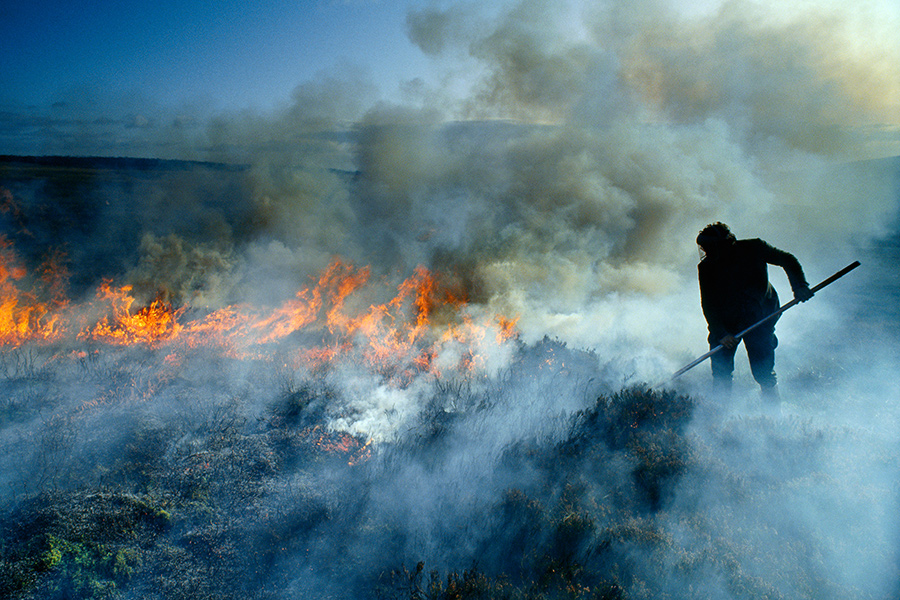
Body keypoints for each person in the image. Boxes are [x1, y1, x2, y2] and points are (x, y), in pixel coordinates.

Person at [696, 222, 813, 397]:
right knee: (721, 373)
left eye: (710, 248)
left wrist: (800, 286)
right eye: (704, 249)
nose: (707, 253)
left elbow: (787, 260)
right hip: (726, 322)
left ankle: (773, 415)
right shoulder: (706, 267)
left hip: (761, 317)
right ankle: (719, 415)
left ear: (724, 245)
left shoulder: (754, 248)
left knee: (763, 372)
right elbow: (709, 304)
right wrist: (721, 333)